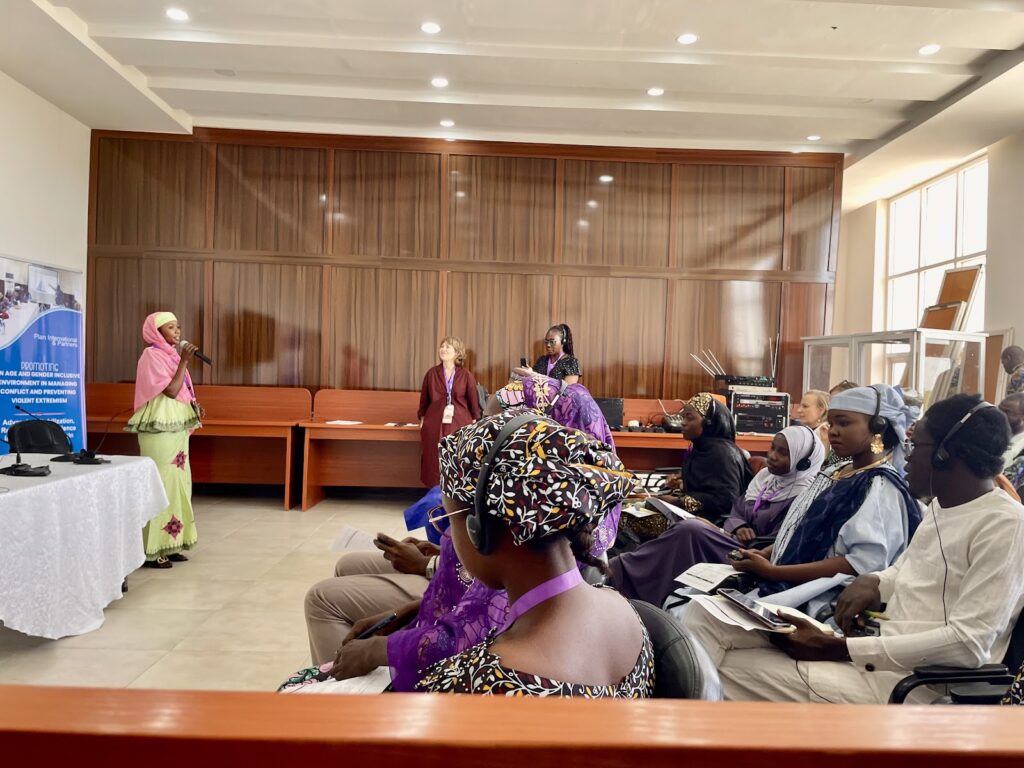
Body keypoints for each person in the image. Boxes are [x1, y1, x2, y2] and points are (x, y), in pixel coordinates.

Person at [684, 393, 1024, 704]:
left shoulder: (1005, 525)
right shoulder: (941, 507)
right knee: (705, 618)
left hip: (909, 688)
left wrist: (843, 648)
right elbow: (903, 570)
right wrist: (874, 580)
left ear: (945, 454)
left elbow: (969, 644)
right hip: (872, 657)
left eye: (914, 444)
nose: (905, 457)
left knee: (715, 668)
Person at [295, 375, 622, 688]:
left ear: (482, 531)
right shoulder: (618, 610)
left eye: (452, 520)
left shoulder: (489, 674)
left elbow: (465, 641)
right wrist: (407, 613)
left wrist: (380, 648)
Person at [415, 410, 652, 696]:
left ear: (480, 529)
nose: (449, 535)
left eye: (449, 518)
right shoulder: (628, 612)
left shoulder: (471, 685)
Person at [607, 426, 824, 606]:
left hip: (751, 554)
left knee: (690, 530)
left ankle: (621, 572)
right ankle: (627, 575)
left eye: (783, 453)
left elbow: (783, 541)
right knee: (683, 527)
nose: (772, 456)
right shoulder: (767, 479)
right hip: (732, 538)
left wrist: (733, 534)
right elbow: (738, 507)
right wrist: (738, 526)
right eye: (772, 448)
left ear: (802, 461)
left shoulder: (805, 494)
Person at [124, 312, 201, 568]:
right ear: (156, 332)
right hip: (159, 427)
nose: (177, 332)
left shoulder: (172, 356)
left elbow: (182, 391)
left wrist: (194, 407)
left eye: (178, 326)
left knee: (180, 483)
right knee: (160, 484)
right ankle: (152, 548)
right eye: (171, 327)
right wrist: (185, 363)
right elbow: (169, 390)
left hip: (177, 426)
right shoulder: (151, 356)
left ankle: (173, 543)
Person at [656, 393, 753, 521]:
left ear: (708, 422)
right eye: (682, 417)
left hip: (713, 522)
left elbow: (726, 501)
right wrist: (681, 485)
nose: (683, 423)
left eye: (689, 418)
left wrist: (680, 501)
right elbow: (706, 488)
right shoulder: (700, 448)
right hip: (694, 516)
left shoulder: (721, 453)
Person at [417, 336, 480, 487]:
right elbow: (424, 400)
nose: (443, 349)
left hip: (459, 423)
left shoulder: (466, 375)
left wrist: (474, 421)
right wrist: (422, 418)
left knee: (456, 457)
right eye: (442, 346)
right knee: (433, 458)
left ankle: (455, 494)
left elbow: (473, 402)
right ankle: (434, 494)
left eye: (448, 347)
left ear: (457, 352)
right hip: (434, 422)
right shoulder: (431, 373)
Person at [999, 393, 1024, 471]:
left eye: (1007, 412)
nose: (1001, 415)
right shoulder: (994, 435)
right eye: (999, 409)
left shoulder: (1021, 444)